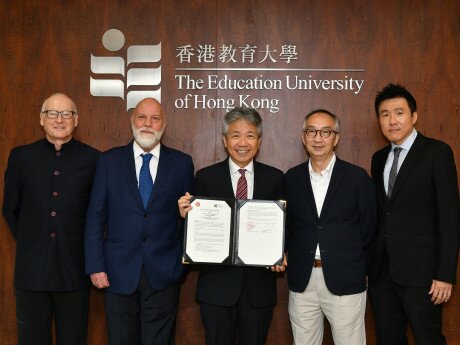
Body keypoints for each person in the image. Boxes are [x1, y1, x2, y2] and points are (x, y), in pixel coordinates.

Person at [84, 98, 194, 345]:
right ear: (132, 121)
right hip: (117, 271)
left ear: (164, 124)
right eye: (142, 117)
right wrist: (95, 265)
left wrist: (181, 264)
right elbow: (95, 216)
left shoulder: (181, 163)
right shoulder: (108, 161)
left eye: (155, 118)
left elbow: (190, 219)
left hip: (164, 272)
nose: (148, 124)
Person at [178, 107, 284, 345]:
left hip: (258, 289)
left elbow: (285, 227)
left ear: (259, 141)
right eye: (235, 135)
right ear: (225, 141)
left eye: (250, 135)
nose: (242, 142)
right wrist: (185, 216)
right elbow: (195, 233)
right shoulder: (205, 177)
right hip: (217, 288)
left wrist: (282, 252)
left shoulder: (275, 178)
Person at [2, 93, 99, 345]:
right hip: (31, 271)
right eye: (52, 114)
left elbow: (98, 214)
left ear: (76, 120)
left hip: (74, 270)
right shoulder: (21, 157)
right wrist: (33, 238)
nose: (59, 119)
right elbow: (10, 209)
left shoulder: (94, 159)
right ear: (41, 119)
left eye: (66, 114)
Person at [368, 83, 460, 345]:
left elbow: (450, 218)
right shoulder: (378, 158)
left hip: (424, 275)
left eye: (399, 112)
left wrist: (445, 274)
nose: (392, 120)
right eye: (385, 114)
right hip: (383, 274)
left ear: (414, 116)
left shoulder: (436, 153)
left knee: (428, 339)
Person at [284, 109, 376, 345]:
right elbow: (288, 226)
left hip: (345, 277)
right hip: (303, 280)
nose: (318, 138)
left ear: (336, 137)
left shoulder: (357, 177)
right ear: (303, 137)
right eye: (311, 131)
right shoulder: (291, 179)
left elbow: (368, 227)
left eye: (325, 132)